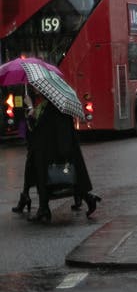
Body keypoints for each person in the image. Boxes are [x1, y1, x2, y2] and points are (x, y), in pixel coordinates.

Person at [25, 91, 100, 222]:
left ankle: (44, 209)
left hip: (52, 152)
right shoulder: (51, 105)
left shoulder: (53, 107)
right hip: (51, 150)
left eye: (39, 90)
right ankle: (87, 199)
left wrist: (31, 108)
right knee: (62, 180)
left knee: (49, 178)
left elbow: (40, 128)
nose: (37, 91)